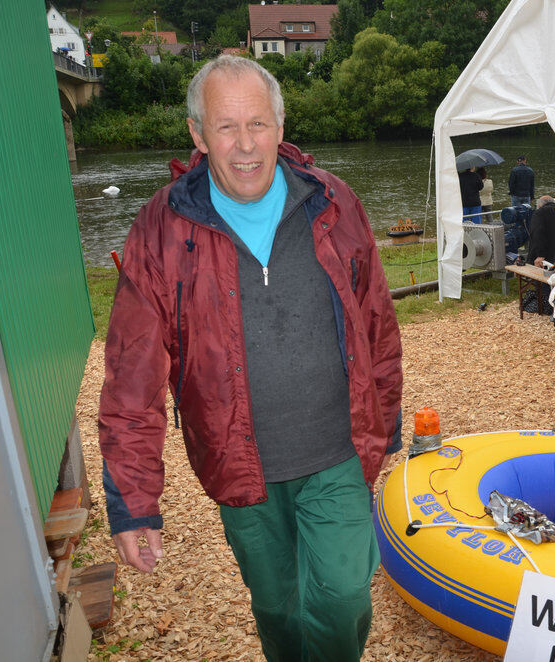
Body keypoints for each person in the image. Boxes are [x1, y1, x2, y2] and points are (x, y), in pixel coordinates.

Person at [98, 55, 403, 662]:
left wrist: (385, 428)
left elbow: (378, 323)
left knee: (343, 600)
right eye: (226, 127)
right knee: (277, 607)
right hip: (239, 464)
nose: (245, 145)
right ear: (197, 134)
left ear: (281, 126)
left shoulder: (333, 203)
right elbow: (132, 374)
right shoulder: (163, 227)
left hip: (337, 453)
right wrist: (134, 503)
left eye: (258, 124)